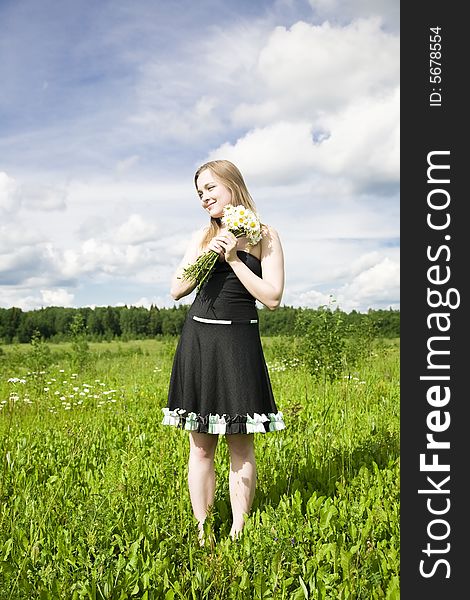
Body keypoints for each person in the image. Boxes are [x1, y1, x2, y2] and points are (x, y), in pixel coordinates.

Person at [162, 159, 285, 542]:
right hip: (200, 341)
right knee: (201, 447)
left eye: (210, 188)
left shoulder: (265, 235)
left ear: (232, 185)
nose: (205, 198)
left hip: (239, 343)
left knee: (241, 443)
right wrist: (209, 256)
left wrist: (234, 258)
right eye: (200, 193)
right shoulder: (203, 235)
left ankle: (238, 529)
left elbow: (273, 298)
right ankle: (203, 530)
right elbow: (177, 289)